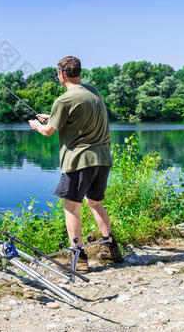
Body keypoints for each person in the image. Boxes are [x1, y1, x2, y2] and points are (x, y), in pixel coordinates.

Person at [28, 56, 122, 272]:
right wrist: (51, 116)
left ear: (61, 75)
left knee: (71, 207)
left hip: (80, 160)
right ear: (78, 72)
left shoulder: (64, 100)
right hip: (103, 158)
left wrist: (36, 124)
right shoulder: (93, 92)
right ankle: (111, 248)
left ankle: (77, 258)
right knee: (95, 202)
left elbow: (47, 131)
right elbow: (75, 118)